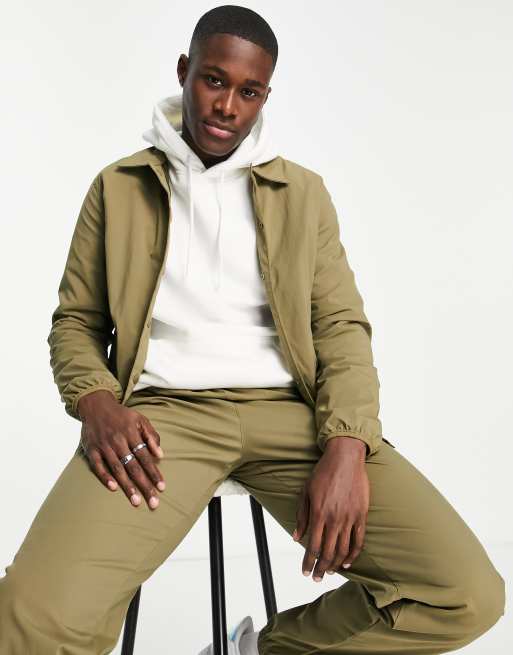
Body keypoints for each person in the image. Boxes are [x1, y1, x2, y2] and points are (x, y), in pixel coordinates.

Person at [0, 5, 505, 654]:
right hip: (162, 420)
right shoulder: (119, 187)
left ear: (265, 95)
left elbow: (341, 329)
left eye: (249, 92)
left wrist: (348, 442)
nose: (226, 107)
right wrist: (96, 403)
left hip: (290, 417)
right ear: (183, 72)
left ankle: (265, 650)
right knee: (28, 615)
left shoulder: (302, 194)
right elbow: (75, 321)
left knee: (465, 594)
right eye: (213, 80)